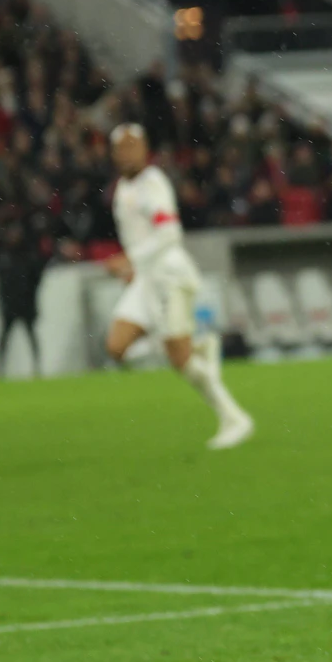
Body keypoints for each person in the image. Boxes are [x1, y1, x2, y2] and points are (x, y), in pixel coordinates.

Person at [103, 123, 253, 449]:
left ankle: (234, 417)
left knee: (180, 360)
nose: (127, 154)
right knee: (116, 347)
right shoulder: (123, 188)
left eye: (133, 146)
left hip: (170, 275)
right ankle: (200, 347)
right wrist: (134, 267)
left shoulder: (152, 183)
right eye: (122, 148)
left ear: (145, 150)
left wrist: (130, 259)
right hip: (146, 279)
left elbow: (169, 232)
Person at [0, 220, 45, 378]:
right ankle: (0, 369)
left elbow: (36, 279)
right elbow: (1, 282)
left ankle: (37, 367)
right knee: (6, 337)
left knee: (29, 335)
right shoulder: (4, 256)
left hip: (25, 302)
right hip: (10, 303)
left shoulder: (26, 255)